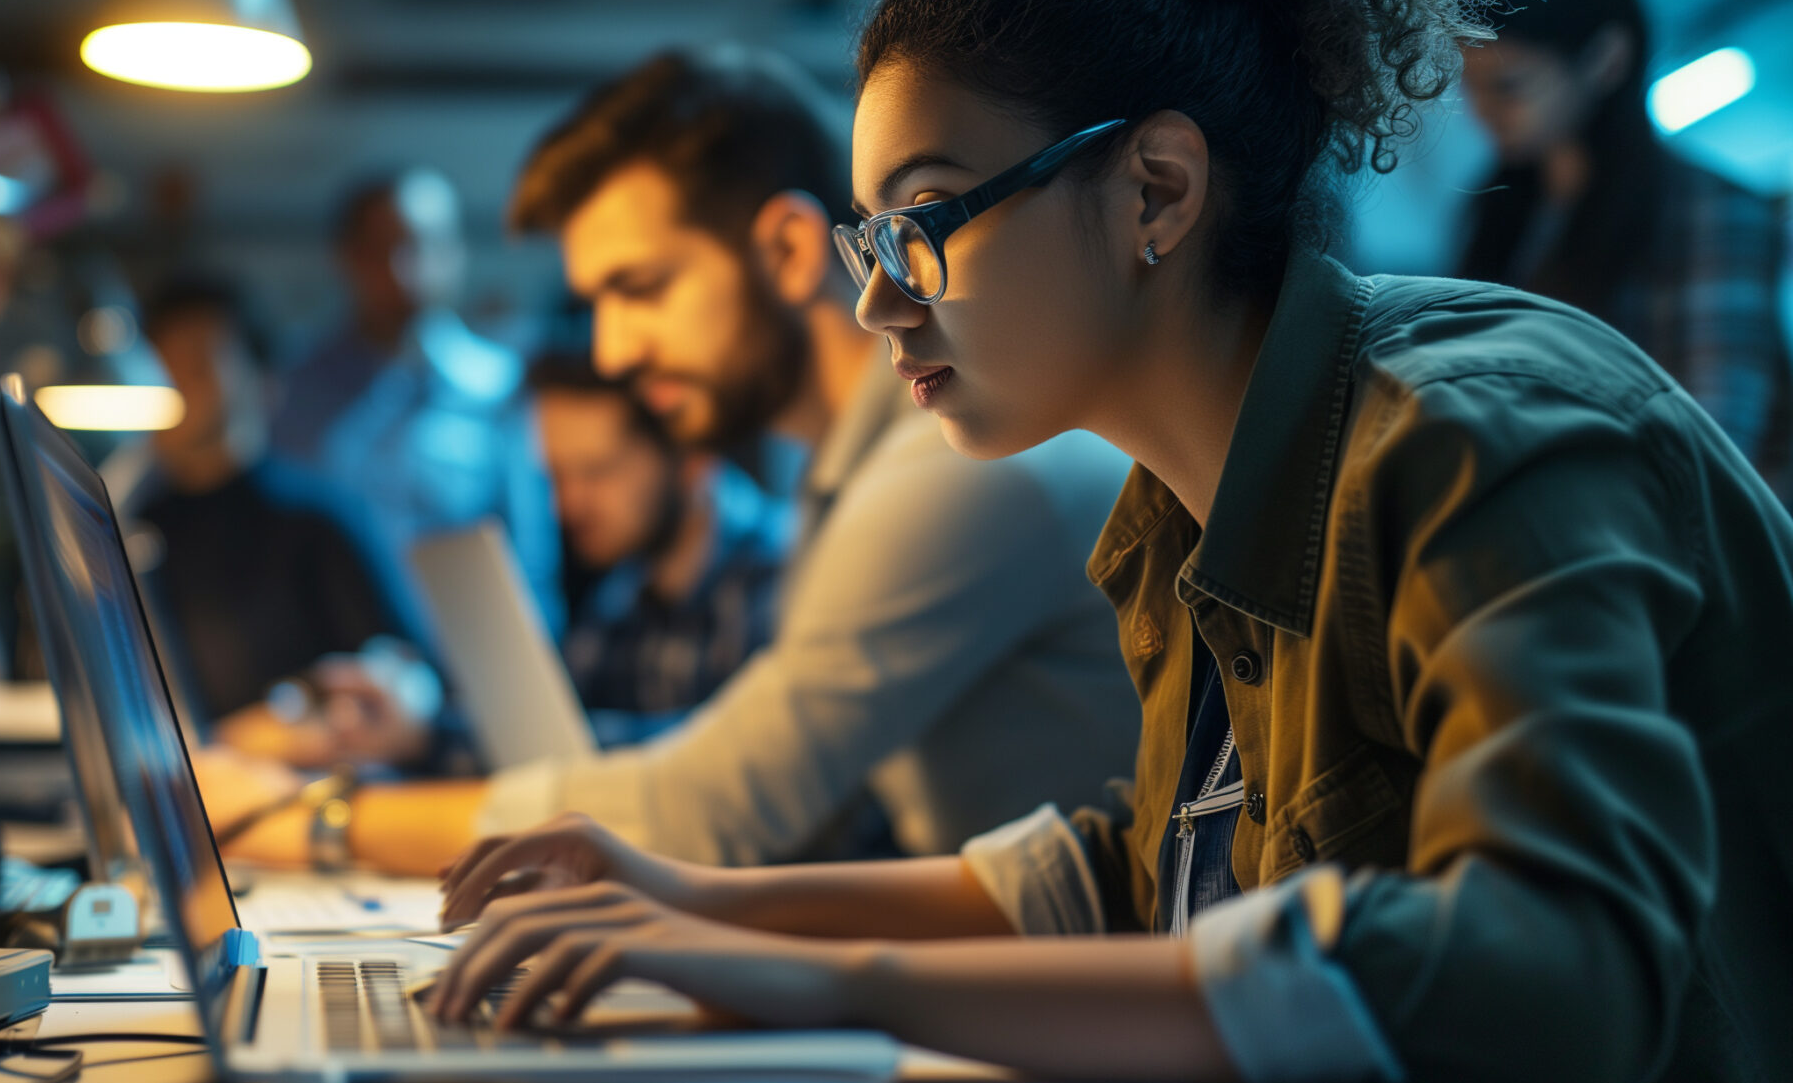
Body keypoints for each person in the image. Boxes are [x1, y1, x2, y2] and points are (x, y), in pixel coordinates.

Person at [412, 0, 1793, 1083]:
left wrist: (840, 988)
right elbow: (1149, 867)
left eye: (926, 219)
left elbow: (1557, 983)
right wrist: (698, 900)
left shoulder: (1479, 436)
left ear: (1155, 189)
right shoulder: (1173, 517)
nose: (876, 296)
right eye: (867, 237)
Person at [196, 45, 1143, 877]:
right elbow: (751, 779)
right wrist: (432, 741)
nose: (611, 351)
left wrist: (310, 817)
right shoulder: (846, 476)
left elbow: (719, 809)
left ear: (784, 249)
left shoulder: (955, 465)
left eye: (640, 288)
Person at [1455, 0, 1793, 486]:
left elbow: (1715, 447)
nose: (1480, 110)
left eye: (1508, 85)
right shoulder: (1506, 211)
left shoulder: (1714, 214)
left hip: (1650, 557)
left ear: (1606, 60)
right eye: (1469, 85)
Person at [132, 277, 436, 769]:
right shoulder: (132, 531)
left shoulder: (317, 519)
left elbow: (397, 666)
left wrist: (303, 711)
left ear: (263, 381)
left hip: (305, 782)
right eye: (162, 363)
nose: (176, 380)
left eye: (198, 361)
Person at [268, 167, 561, 613]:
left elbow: (529, 564)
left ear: (456, 252)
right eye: (383, 248)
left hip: (461, 669)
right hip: (338, 666)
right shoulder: (296, 390)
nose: (405, 269)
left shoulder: (497, 389)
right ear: (347, 256)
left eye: (426, 244)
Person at [530, 349, 787, 745]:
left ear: (692, 457)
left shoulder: (781, 580)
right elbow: (554, 731)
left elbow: (747, 755)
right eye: (556, 476)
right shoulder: (618, 597)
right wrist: (424, 734)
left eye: (597, 471)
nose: (566, 506)